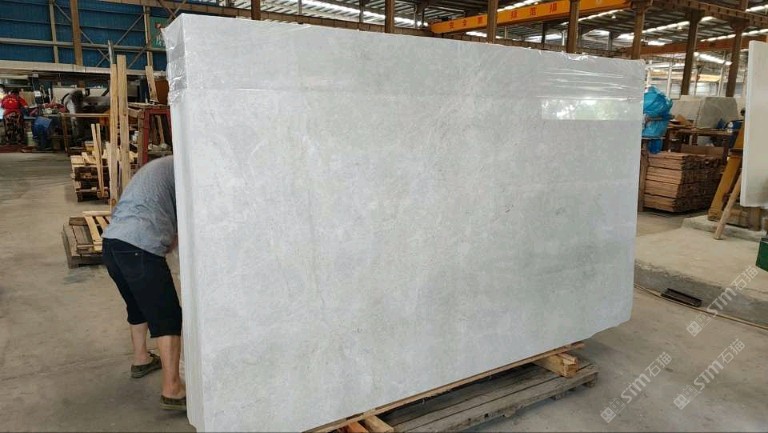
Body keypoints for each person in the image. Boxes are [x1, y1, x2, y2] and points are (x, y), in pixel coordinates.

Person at [101, 156, 186, 411]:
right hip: (139, 246)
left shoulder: (161, 166)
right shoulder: (187, 168)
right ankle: (173, 389)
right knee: (167, 316)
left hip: (112, 243)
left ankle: (141, 359)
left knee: (138, 305)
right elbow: (187, 221)